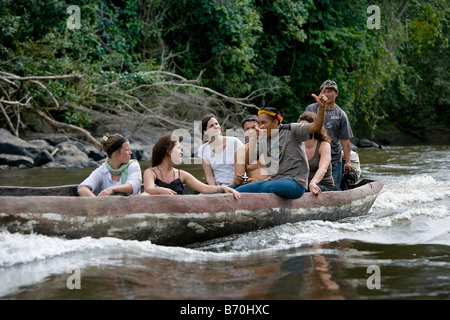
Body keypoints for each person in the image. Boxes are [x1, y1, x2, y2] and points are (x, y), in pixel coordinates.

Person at [235, 88, 327, 199]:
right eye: (259, 123)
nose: (261, 126)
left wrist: (322, 107)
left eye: (264, 123)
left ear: (275, 122)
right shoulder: (264, 137)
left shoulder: (291, 129)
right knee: (239, 190)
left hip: (295, 183)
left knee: (265, 187)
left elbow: (316, 126)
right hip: (274, 181)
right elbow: (250, 157)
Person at [142, 134, 240, 199]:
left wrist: (222, 189)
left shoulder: (182, 174)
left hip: (178, 210)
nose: (181, 152)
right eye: (179, 149)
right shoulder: (150, 172)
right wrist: (161, 190)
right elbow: (149, 189)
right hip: (157, 210)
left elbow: (204, 188)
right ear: (169, 151)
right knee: (144, 195)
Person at [305, 80, 354, 190]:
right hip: (313, 157)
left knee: (334, 190)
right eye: (324, 91)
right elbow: (303, 130)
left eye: (330, 91)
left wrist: (348, 162)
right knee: (308, 187)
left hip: (334, 159)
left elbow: (345, 140)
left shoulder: (341, 115)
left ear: (336, 93)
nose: (326, 94)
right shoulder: (311, 109)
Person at [78, 133, 142, 197]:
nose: (130, 152)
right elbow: (82, 189)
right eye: (127, 150)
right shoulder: (103, 170)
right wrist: (98, 203)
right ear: (116, 153)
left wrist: (112, 188)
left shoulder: (133, 166)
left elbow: (133, 186)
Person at [197, 114, 243, 186]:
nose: (216, 126)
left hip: (237, 183)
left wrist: (229, 187)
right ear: (205, 131)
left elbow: (239, 172)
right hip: (219, 185)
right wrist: (215, 190)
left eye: (216, 123)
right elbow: (209, 176)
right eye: (211, 126)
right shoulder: (203, 149)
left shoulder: (234, 142)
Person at [298, 111, 335, 194]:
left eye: (306, 127)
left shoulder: (324, 145)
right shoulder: (297, 146)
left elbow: (323, 168)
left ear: (314, 128)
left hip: (323, 186)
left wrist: (313, 182)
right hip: (304, 186)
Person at [232, 115, 269, 188]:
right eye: (247, 129)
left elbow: (281, 173)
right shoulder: (242, 150)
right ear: (244, 133)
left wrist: (260, 183)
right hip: (252, 187)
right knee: (230, 190)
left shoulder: (272, 145)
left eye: (253, 128)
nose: (251, 131)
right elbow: (239, 178)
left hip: (271, 184)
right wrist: (241, 180)